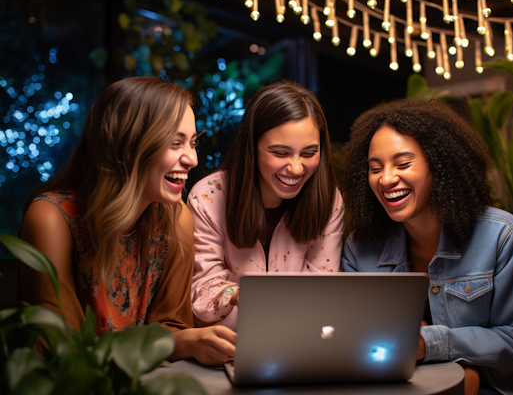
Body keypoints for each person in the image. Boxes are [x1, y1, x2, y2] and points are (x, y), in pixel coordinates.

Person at [19, 76, 235, 366]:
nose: (192, 159)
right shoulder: (51, 218)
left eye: (192, 143)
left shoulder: (176, 218)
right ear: (127, 145)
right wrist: (176, 343)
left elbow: (172, 325)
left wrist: (194, 343)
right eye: (175, 143)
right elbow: (63, 352)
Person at [341, 98, 513, 395]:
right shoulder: (359, 249)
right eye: (374, 168)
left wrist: (429, 343)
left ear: (439, 163)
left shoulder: (501, 235)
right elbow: (352, 339)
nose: (386, 179)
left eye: (403, 163)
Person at [187, 80, 344, 334]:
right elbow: (204, 293)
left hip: (300, 343)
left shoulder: (328, 200)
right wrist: (247, 298)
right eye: (281, 153)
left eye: (309, 153)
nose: (296, 168)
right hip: (231, 345)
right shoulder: (208, 197)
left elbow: (321, 292)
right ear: (252, 147)